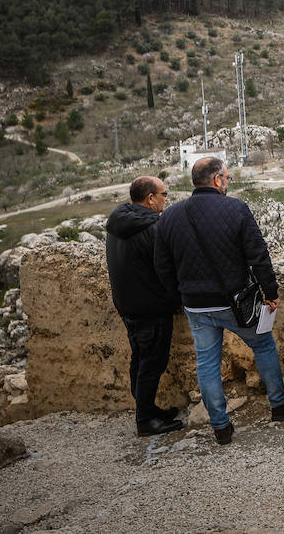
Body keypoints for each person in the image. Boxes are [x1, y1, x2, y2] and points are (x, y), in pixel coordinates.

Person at [154, 156, 284, 444]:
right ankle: (279, 404)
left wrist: (180, 296)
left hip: (196, 306)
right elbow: (258, 255)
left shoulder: (170, 216)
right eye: (226, 177)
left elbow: (162, 266)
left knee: (207, 364)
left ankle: (220, 426)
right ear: (217, 180)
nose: (227, 182)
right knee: (263, 344)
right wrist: (271, 292)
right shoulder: (236, 208)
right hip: (234, 302)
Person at [105, 175, 183, 436]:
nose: (166, 199)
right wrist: (176, 298)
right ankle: (145, 420)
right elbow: (166, 268)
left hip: (128, 305)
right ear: (150, 198)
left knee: (140, 358)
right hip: (151, 306)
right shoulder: (152, 228)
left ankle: (147, 408)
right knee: (152, 362)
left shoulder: (119, 222)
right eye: (164, 194)